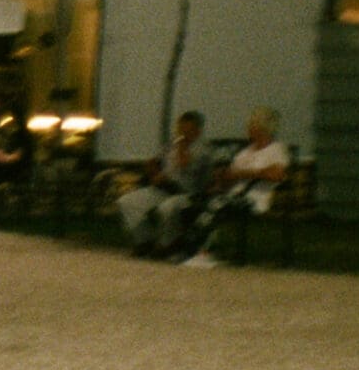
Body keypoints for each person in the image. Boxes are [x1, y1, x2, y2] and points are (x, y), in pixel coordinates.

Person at [183, 107, 292, 268]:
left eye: (251, 126)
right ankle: (193, 250)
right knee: (195, 203)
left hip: (254, 201)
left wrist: (244, 173)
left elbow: (278, 175)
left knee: (216, 205)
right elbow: (231, 176)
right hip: (233, 196)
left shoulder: (276, 150)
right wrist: (225, 176)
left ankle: (203, 252)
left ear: (262, 129)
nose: (247, 129)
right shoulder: (245, 152)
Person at [118, 110, 212, 257]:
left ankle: (167, 244)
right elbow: (154, 161)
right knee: (127, 202)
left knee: (167, 208)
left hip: (187, 193)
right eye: (180, 128)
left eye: (187, 129)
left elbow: (184, 163)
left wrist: (181, 146)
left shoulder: (202, 148)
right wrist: (154, 172)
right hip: (164, 188)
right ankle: (144, 240)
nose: (182, 133)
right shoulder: (171, 144)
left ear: (197, 131)